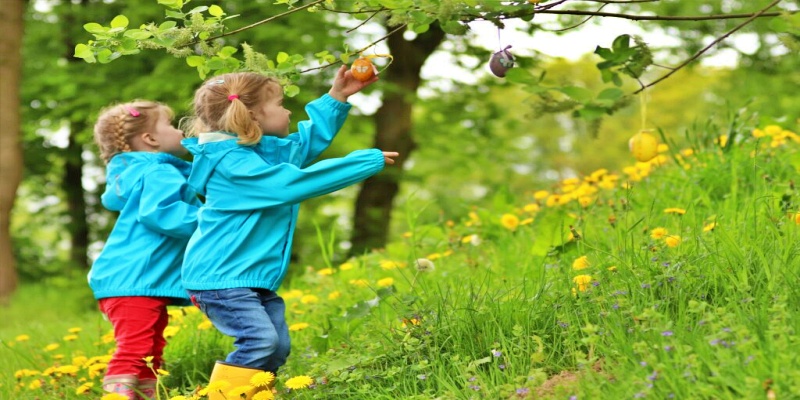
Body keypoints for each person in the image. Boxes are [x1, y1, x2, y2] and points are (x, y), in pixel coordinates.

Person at [181, 66, 398, 399]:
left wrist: (336, 98)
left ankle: (256, 395)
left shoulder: (255, 155)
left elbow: (300, 147)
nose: (286, 112)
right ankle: (223, 397)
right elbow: (289, 184)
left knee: (277, 347)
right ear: (253, 115)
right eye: (281, 104)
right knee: (260, 341)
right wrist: (362, 163)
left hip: (246, 277)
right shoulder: (232, 165)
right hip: (221, 278)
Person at [89, 100, 200, 400]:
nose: (178, 131)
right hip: (133, 280)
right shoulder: (158, 173)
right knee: (136, 349)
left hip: (130, 280)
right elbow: (161, 213)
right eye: (170, 125)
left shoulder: (141, 173)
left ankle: (145, 395)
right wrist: (208, 219)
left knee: (151, 348)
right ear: (150, 139)